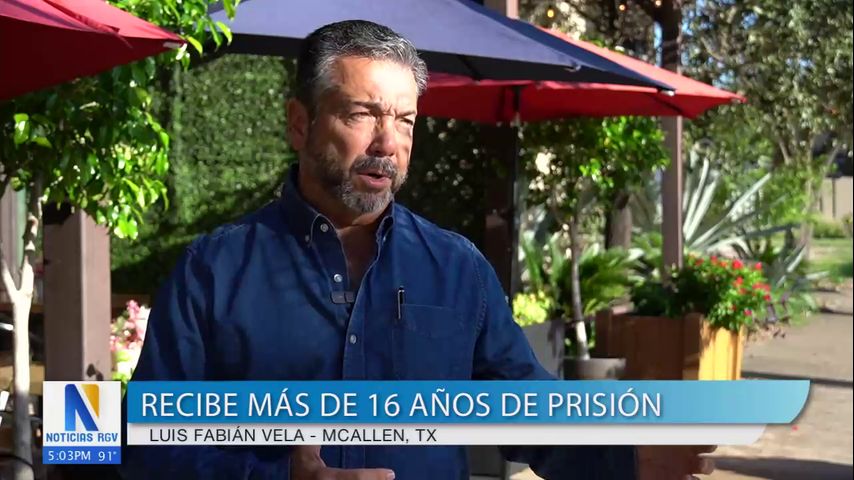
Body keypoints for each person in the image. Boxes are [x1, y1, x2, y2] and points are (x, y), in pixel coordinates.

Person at [121, 20, 714, 480]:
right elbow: (147, 444)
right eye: (363, 114)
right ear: (300, 124)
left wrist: (622, 452)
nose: (388, 142)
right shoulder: (214, 271)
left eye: (405, 120)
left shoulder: (458, 269)